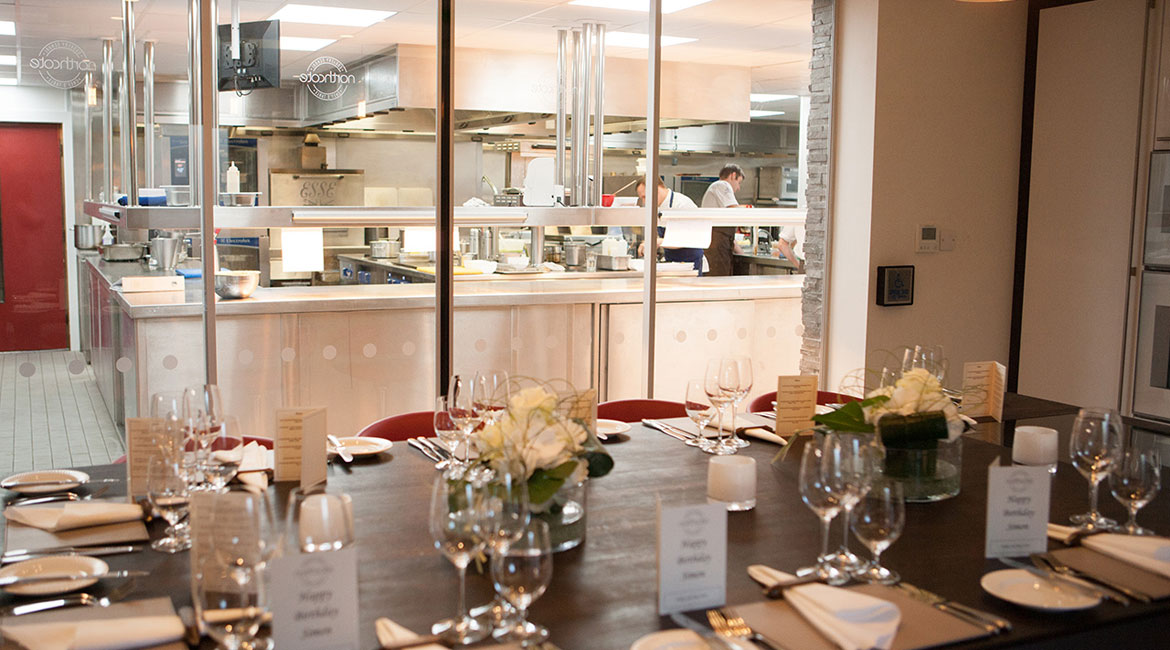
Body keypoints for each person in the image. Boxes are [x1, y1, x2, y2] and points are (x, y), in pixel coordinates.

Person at [635, 178, 706, 273]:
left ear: (656, 189)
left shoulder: (682, 204)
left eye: (645, 197)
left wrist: (657, 242)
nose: (644, 202)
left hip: (690, 261)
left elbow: (688, 238)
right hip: (672, 261)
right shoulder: (657, 207)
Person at [701, 164, 746, 276]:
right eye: (739, 182)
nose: (738, 188)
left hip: (719, 246)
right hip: (716, 248)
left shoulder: (717, 188)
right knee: (718, 281)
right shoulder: (722, 185)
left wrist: (738, 249)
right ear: (733, 175)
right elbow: (735, 210)